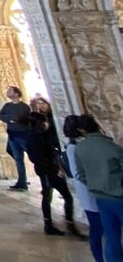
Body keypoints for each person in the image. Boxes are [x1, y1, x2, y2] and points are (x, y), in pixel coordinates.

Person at [72, 113, 123, 262]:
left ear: (82, 130)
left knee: (111, 237)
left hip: (101, 197)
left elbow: (80, 174)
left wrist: (95, 184)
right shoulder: (113, 147)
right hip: (119, 196)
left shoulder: (80, 148)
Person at [26, 110, 82, 236]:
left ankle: (53, 224)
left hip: (47, 169)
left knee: (50, 196)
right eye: (43, 121)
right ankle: (64, 224)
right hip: (47, 170)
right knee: (62, 196)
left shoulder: (40, 135)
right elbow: (37, 156)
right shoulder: (35, 137)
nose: (46, 123)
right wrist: (55, 168)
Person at [64, 114, 104, 261]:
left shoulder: (78, 146)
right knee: (97, 226)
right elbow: (78, 173)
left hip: (92, 189)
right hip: (90, 190)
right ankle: (99, 257)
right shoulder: (74, 148)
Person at [0, 85, 32, 190]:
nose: (8, 92)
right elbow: (0, 115)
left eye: (10, 91)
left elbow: (29, 119)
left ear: (16, 93)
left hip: (23, 136)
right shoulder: (7, 106)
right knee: (18, 159)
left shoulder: (25, 107)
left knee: (34, 157)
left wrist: (18, 121)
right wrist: (10, 120)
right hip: (12, 136)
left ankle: (45, 178)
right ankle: (22, 181)